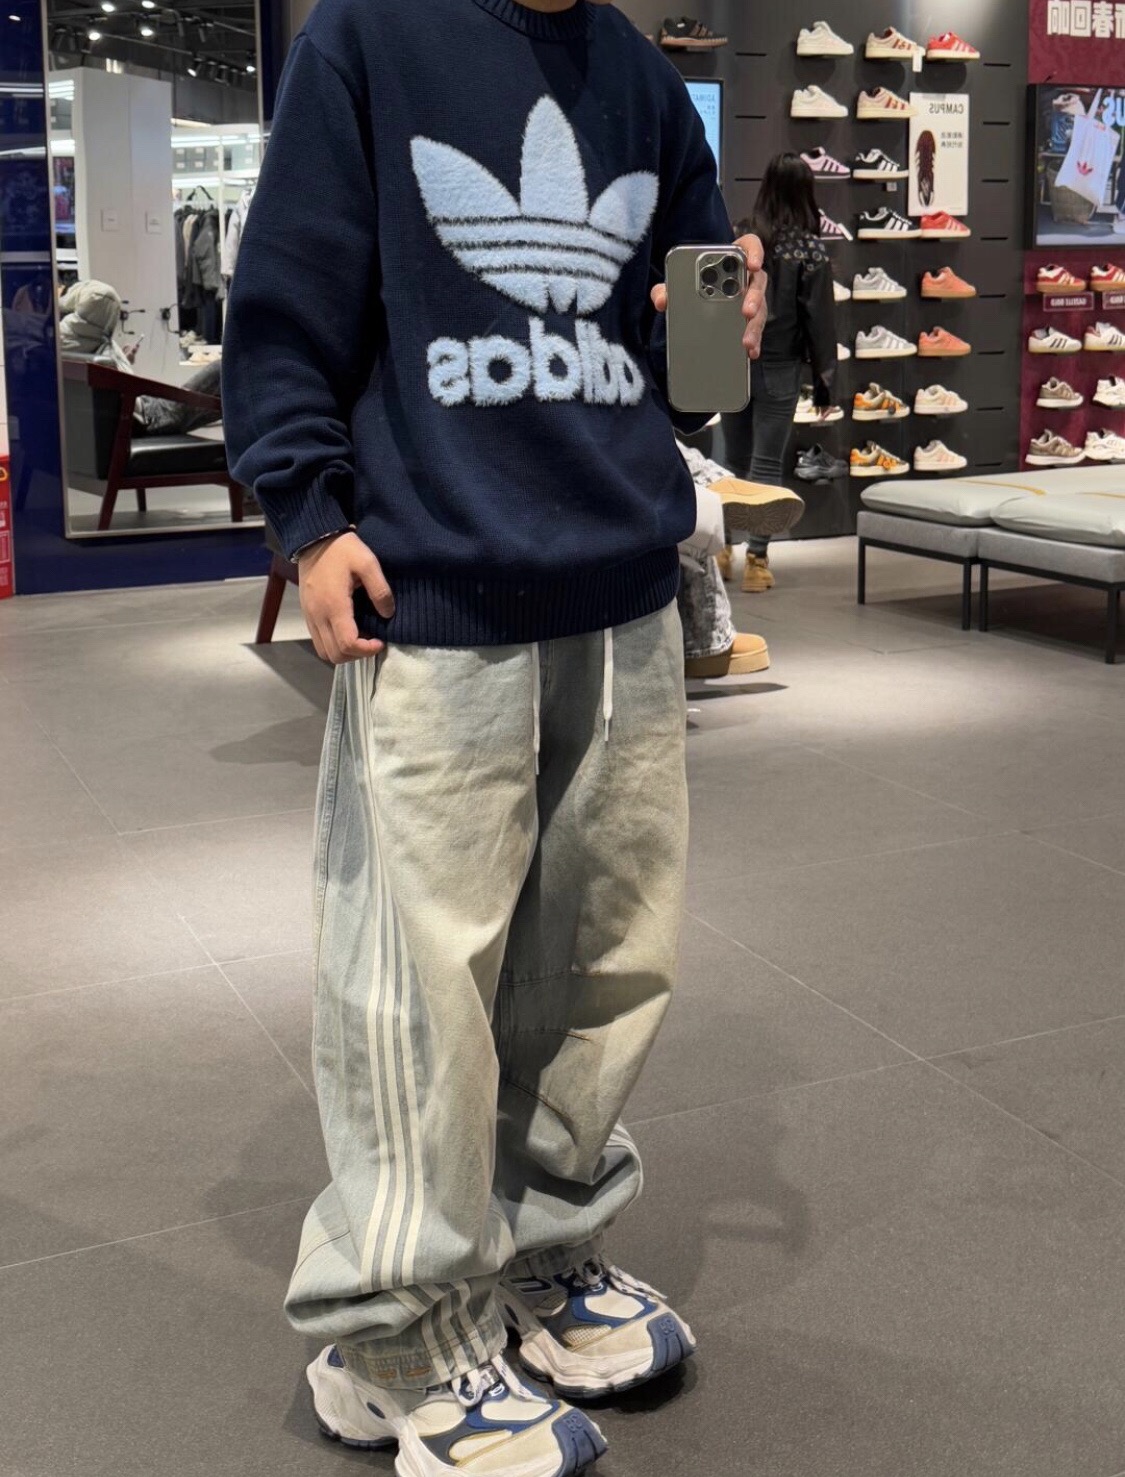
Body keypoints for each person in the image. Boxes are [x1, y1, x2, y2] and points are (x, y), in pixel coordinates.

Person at [221, 2, 767, 1473]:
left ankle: (540, 1248)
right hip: (434, 589)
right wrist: (306, 511)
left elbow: (685, 368)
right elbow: (285, 296)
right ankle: (396, 1331)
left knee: (600, 958)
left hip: (620, 586)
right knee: (419, 984)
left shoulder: (640, 75)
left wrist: (721, 330)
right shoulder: (370, 38)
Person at [719, 155, 837, 593]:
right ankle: (757, 560)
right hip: (782, 366)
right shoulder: (810, 248)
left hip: (735, 358)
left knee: (732, 459)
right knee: (766, 462)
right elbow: (820, 321)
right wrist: (825, 383)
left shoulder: (742, 236)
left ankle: (721, 548)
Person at [57, 279, 221, 435]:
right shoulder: (95, 343)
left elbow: (106, 378)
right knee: (221, 369)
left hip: (140, 409)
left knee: (224, 394)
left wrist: (124, 359)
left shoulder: (72, 339)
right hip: (152, 416)